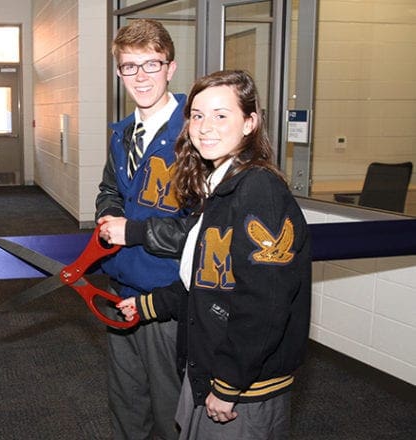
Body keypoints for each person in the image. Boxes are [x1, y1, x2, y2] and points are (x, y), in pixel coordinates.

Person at [101, 70, 312, 440]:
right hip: (214, 369)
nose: (205, 127)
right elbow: (207, 282)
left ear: (250, 122)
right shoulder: (219, 188)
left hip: (246, 388)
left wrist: (229, 384)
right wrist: (148, 306)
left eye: (220, 115)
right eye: (197, 116)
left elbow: (265, 305)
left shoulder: (258, 190)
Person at [95, 18, 187, 440]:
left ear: (170, 67)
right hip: (120, 289)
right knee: (126, 401)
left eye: (151, 64)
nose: (141, 77)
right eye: (130, 67)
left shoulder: (195, 133)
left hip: (168, 297)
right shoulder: (122, 133)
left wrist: (131, 231)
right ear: (118, 73)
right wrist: (107, 217)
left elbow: (201, 232)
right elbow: (110, 189)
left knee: (170, 407)